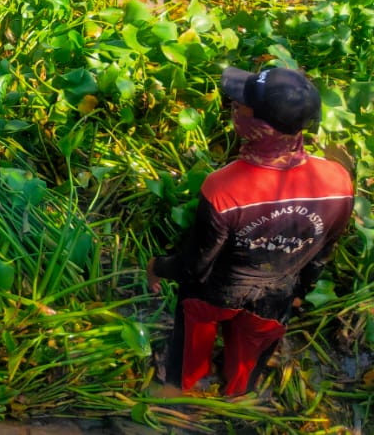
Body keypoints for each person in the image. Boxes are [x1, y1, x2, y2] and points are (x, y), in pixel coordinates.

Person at [147, 66, 353, 396]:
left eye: (240, 104)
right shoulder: (337, 181)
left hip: (214, 294)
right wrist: (301, 291)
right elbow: (323, 251)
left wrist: (157, 266)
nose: (233, 105)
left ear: (260, 126)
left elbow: (194, 266)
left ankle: (180, 395)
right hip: (276, 297)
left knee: (187, 360)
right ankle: (234, 399)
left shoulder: (223, 186)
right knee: (246, 368)